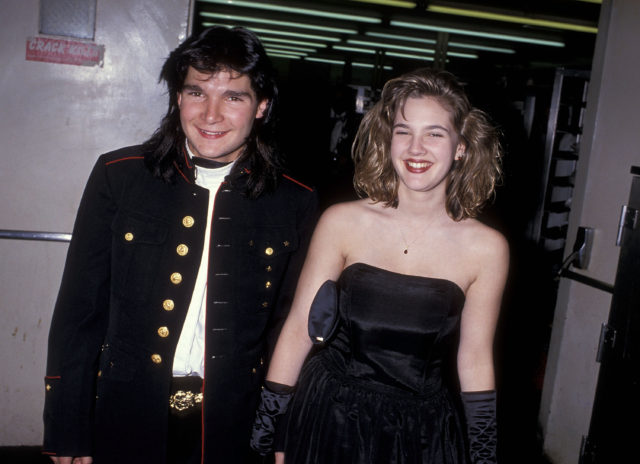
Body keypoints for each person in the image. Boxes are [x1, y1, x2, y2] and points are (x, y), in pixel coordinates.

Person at [42, 26, 317, 464]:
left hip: (233, 425)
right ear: (177, 99)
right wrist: (67, 426)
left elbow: (290, 329)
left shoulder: (294, 201)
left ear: (261, 106)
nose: (210, 114)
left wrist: (281, 432)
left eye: (233, 97)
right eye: (196, 93)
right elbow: (79, 313)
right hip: (125, 413)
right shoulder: (121, 176)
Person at [251, 68, 508, 463]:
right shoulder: (343, 222)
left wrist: (485, 456)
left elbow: (474, 358)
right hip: (326, 418)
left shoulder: (486, 248)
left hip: (419, 435)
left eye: (434, 133)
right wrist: (268, 434)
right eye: (403, 131)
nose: (415, 148)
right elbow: (301, 327)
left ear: (461, 146)